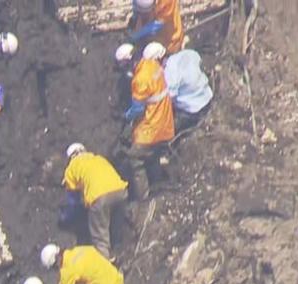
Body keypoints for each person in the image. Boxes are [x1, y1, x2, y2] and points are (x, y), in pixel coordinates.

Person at [120, 42, 175, 200]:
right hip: (166, 122)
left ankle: (143, 197)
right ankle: (157, 181)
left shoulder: (140, 80)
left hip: (153, 127)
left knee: (135, 158)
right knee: (153, 154)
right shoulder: (152, 64)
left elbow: (137, 109)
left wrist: (126, 116)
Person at [59, 143, 131, 259]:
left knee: (100, 238)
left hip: (99, 198)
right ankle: (120, 254)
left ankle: (106, 265)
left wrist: (68, 218)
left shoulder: (72, 168)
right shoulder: (98, 158)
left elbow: (73, 201)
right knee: (116, 229)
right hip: (121, 192)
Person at [162, 48, 213, 132]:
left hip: (192, 108)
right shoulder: (188, 53)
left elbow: (170, 97)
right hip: (206, 95)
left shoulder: (170, 70)